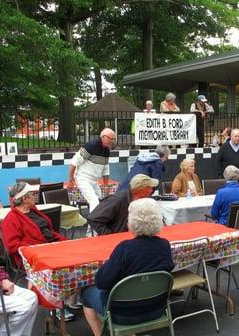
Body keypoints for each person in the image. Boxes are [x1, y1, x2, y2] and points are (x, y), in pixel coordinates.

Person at [81, 198, 174, 335]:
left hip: (122, 315)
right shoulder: (164, 245)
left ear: (131, 222)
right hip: (157, 309)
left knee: (85, 293)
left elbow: (101, 282)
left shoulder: (125, 248)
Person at [1, 182, 66, 267]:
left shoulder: (33, 210)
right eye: (32, 194)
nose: (34, 196)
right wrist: (38, 247)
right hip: (35, 254)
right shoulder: (11, 219)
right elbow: (12, 246)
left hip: (50, 246)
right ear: (25, 199)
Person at [88, 174, 159, 235]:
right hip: (116, 241)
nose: (152, 190)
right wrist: (110, 236)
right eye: (150, 187)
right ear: (142, 189)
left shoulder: (141, 200)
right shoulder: (117, 200)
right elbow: (94, 218)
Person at [68, 128, 115, 214]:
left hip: (94, 180)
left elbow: (105, 168)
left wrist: (105, 185)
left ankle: (92, 227)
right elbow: (74, 162)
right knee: (94, 201)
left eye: (113, 139)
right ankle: (95, 226)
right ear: (103, 137)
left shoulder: (107, 150)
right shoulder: (91, 146)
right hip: (83, 178)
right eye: (111, 139)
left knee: (101, 202)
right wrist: (70, 181)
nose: (112, 141)